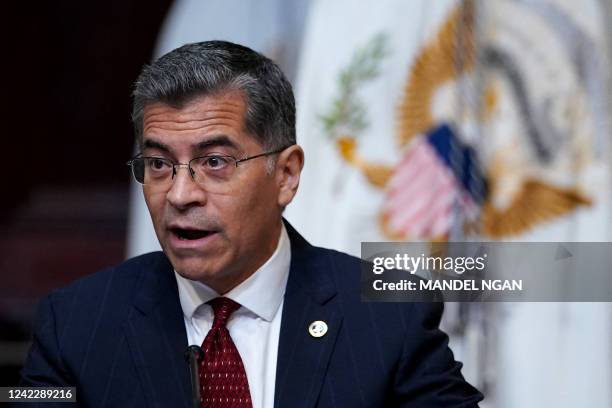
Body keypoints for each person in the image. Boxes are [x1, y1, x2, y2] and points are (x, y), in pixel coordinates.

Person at [19, 40, 483, 407]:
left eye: (215, 161)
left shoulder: (388, 316)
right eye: (159, 164)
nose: (180, 195)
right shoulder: (76, 322)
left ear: (286, 175)